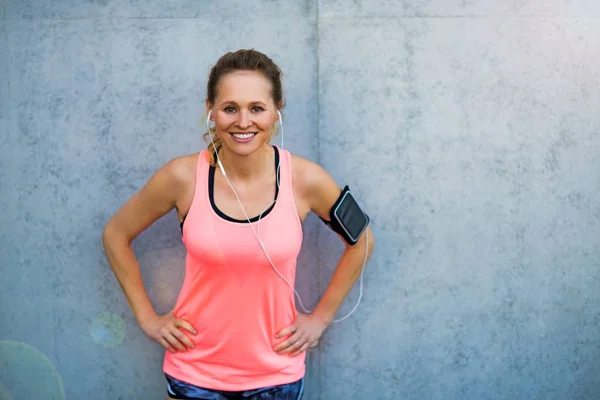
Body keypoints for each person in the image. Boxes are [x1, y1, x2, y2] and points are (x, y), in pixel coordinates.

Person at [102, 49, 375, 400]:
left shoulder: (306, 180)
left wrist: (320, 319)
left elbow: (362, 239)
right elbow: (115, 234)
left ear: (277, 112)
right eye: (230, 108)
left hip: (277, 374)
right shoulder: (181, 177)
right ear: (210, 111)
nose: (243, 122)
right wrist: (148, 318)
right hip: (195, 374)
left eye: (257, 108)